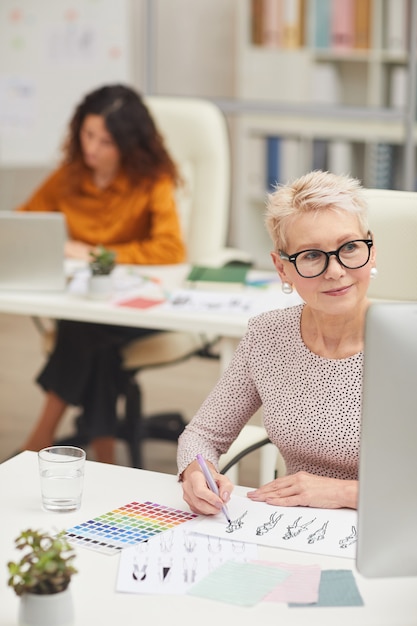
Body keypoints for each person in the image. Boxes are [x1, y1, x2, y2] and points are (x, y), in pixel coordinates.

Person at [177, 169, 377, 514]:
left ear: (371, 250)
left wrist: (343, 493)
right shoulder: (268, 335)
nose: (335, 270)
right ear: (282, 268)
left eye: (350, 247)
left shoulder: (407, 343)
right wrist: (197, 471)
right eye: (312, 255)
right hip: (291, 528)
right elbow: (202, 436)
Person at [18, 84, 185, 463]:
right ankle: (107, 459)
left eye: (105, 141)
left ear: (128, 144)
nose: (91, 148)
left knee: (83, 327)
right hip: (88, 305)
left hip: (143, 307)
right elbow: (24, 223)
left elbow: (171, 248)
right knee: (97, 344)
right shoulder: (70, 176)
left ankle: (39, 440)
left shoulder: (151, 179)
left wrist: (98, 255)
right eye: (87, 134)